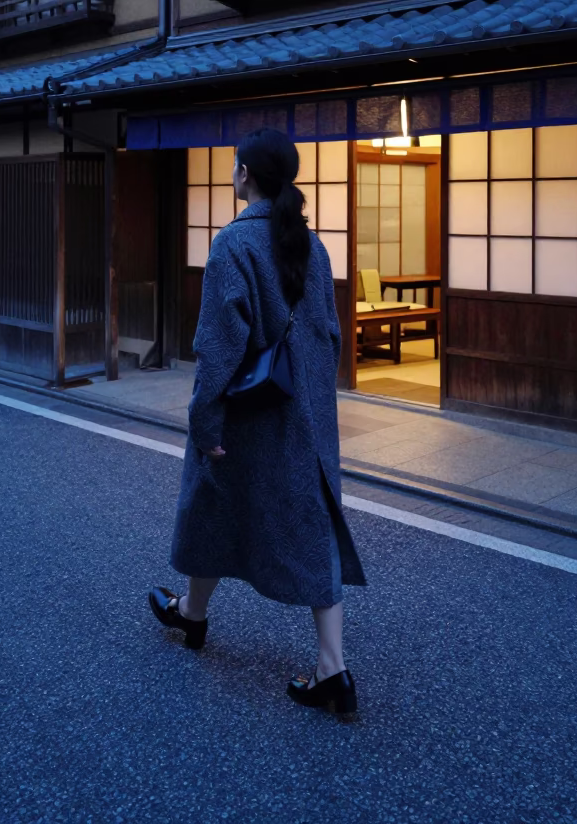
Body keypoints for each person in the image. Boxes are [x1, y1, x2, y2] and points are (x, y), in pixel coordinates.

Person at [149, 128, 366, 718]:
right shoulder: (312, 245)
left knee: (213, 501)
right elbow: (331, 335)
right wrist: (318, 404)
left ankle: (199, 619)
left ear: (244, 173)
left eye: (234, 166)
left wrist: (204, 421)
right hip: (303, 415)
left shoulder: (231, 245)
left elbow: (218, 347)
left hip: (247, 416)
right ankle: (326, 665)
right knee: (308, 524)